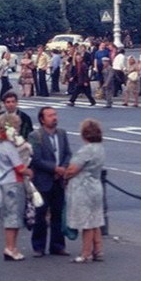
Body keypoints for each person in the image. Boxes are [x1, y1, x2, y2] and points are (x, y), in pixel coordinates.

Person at [29, 106, 72, 257]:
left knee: (58, 213)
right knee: (40, 215)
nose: (54, 118)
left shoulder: (62, 133)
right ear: (42, 119)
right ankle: (39, 246)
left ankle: (57, 245)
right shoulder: (36, 136)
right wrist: (55, 169)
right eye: (50, 116)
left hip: (59, 181)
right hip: (43, 180)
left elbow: (67, 153)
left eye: (55, 115)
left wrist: (64, 168)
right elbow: (37, 159)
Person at [64, 119, 106, 263]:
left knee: (86, 222)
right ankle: (98, 249)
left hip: (83, 188)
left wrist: (65, 175)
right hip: (96, 185)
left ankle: (86, 252)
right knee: (95, 219)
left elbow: (72, 169)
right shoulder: (100, 148)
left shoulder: (86, 150)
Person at [0, 113, 34, 261]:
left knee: (10, 215)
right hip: (13, 182)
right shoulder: (8, 146)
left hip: (5, 180)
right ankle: (10, 247)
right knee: (13, 216)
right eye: (16, 126)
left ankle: (12, 247)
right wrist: (28, 170)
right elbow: (19, 166)